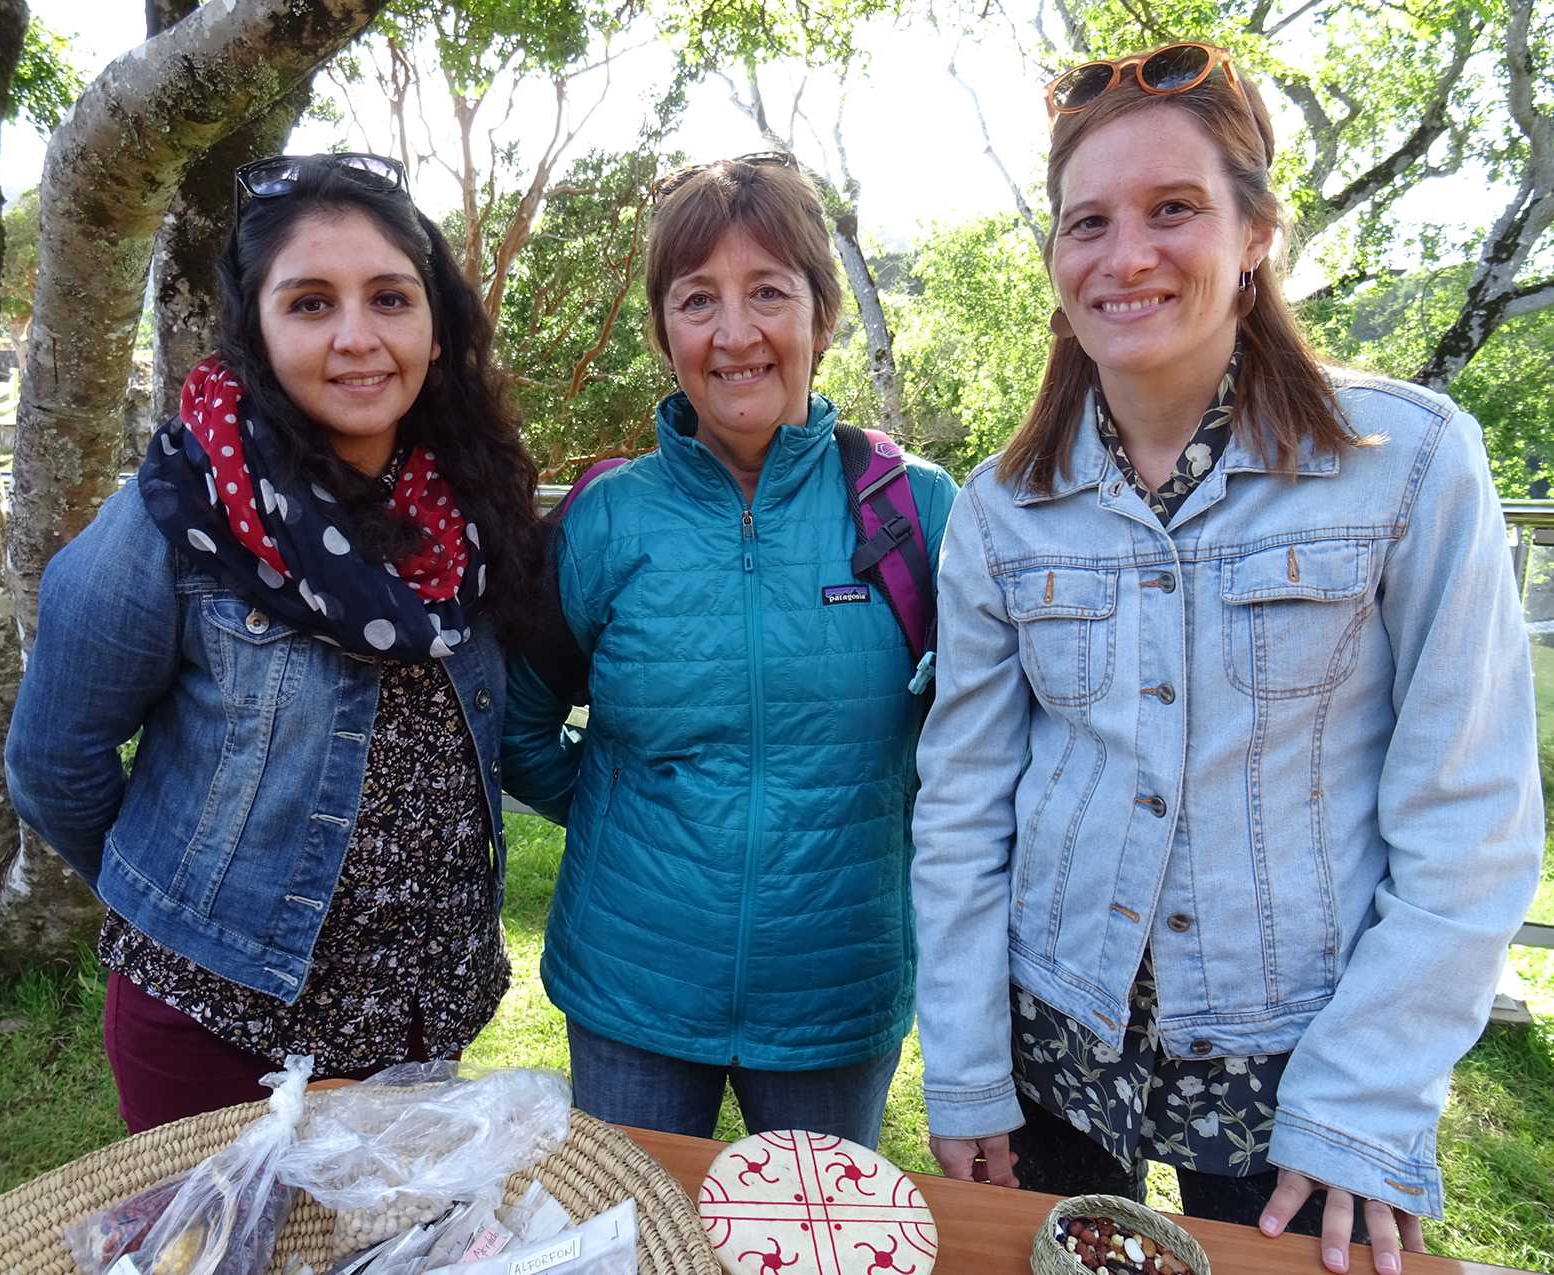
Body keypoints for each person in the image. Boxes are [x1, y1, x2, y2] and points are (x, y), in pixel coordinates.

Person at [909, 42, 1542, 1275]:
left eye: (1172, 209)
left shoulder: (1406, 464)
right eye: (1086, 221)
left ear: (1254, 233)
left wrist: (1365, 1101)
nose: (1124, 255)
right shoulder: (1000, 509)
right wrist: (967, 1067)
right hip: (1053, 1047)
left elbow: (1467, 814)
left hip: (1304, 1075)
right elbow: (964, 806)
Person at [5, 153, 541, 1133]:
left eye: (389, 298)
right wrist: (183, 906)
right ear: (254, 328)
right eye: (309, 303)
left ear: (435, 327)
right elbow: (52, 762)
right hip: (216, 1026)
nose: (356, 337)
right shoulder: (180, 511)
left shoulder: (469, 503)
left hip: (416, 1019)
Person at [501, 154, 957, 1145]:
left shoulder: (917, 512)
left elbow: (970, 755)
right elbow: (518, 723)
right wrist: (625, 817)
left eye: (768, 293)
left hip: (834, 995)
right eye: (697, 298)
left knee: (816, 1233)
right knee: (631, 1227)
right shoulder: (604, 521)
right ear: (664, 331)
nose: (734, 332)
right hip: (630, 990)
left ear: (821, 317)